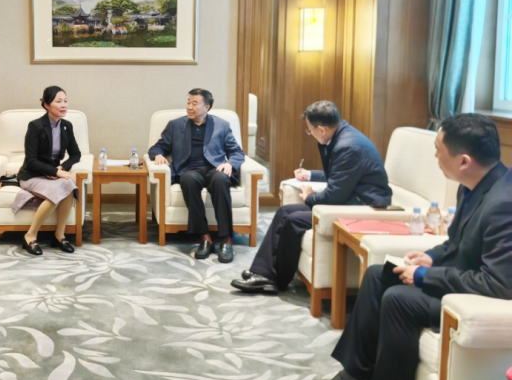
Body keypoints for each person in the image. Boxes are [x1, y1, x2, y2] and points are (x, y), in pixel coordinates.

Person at [302, 113, 512, 380]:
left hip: (477, 298)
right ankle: (356, 377)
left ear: (464, 161)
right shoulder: (472, 184)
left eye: (439, 149)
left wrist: (426, 275)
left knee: (398, 299)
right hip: (459, 278)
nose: (436, 156)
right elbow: (456, 243)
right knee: (377, 276)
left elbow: (499, 283)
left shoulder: (503, 204)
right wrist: (432, 257)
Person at [233, 100, 391, 293]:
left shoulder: (348, 146)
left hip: (364, 206)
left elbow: (334, 196)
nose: (310, 134)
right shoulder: (343, 135)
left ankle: (276, 279)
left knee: (294, 220)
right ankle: (262, 272)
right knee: (284, 212)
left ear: (322, 129)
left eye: (310, 130)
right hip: (351, 197)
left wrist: (309, 197)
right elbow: (340, 174)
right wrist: (310, 175)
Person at [148, 88, 245, 263]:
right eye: (188, 102)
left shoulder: (221, 125)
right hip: (189, 169)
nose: (189, 107)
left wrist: (229, 164)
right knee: (187, 180)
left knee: (220, 180)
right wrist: (158, 155)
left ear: (206, 107)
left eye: (195, 103)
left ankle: (226, 239)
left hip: (215, 168)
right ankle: (205, 237)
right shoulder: (175, 125)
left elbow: (236, 152)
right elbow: (157, 147)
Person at [16, 85, 81, 255]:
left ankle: (59, 235)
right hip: (32, 175)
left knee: (69, 186)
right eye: (58, 101)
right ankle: (30, 235)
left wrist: (62, 167)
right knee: (56, 191)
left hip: (52, 175)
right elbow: (31, 160)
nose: (63, 105)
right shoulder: (35, 126)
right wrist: (56, 172)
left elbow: (76, 154)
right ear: (46, 105)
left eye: (65, 101)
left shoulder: (67, 126)